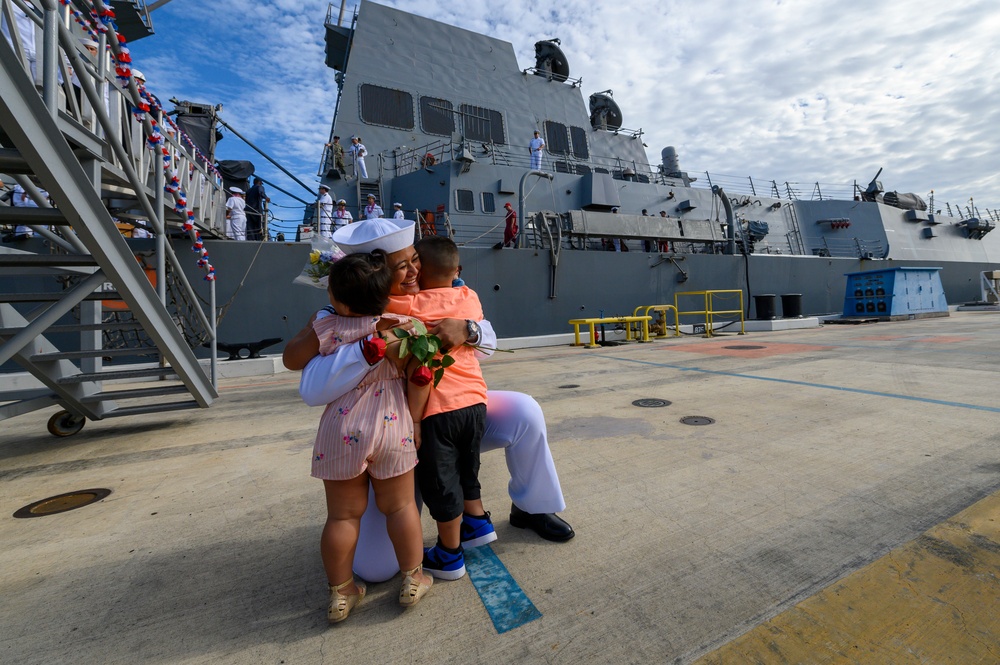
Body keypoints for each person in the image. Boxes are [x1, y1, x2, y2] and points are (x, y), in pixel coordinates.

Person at [284, 219, 574, 584]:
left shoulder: (443, 288)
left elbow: (488, 345)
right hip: (390, 440)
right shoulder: (344, 316)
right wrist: (369, 348)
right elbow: (311, 388)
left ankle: (533, 507)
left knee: (524, 411)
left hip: (446, 420)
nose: (413, 272)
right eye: (400, 266)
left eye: (414, 260)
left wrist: (466, 330)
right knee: (375, 569)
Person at [302, 249, 433, 623]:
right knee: (401, 507)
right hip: (392, 423)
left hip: (340, 428)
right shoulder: (404, 327)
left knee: (342, 517)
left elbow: (296, 359)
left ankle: (342, 592)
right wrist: (417, 422)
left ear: (336, 299)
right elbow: (420, 378)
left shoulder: (325, 329)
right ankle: (412, 578)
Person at [401, 235, 495, 580]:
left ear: (419, 270)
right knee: (468, 468)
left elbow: (388, 307)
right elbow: (468, 305)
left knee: (442, 483)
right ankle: (477, 524)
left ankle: (449, 554)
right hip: (476, 402)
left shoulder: (413, 306)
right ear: (456, 269)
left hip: (438, 410)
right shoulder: (470, 297)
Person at [245, 177, 270, 241]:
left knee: (250, 226)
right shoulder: (259, 187)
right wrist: (266, 197)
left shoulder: (248, 190)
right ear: (259, 182)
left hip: (248, 209)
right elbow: (260, 192)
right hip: (256, 209)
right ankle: (258, 239)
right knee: (258, 226)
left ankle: (251, 239)